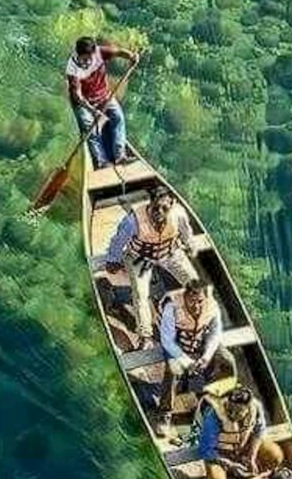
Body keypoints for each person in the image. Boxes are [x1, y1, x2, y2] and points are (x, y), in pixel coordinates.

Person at [97, 183, 198, 351]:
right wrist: (113, 260)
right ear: (150, 204)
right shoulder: (133, 220)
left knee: (195, 285)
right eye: (155, 208)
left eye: (164, 208)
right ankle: (145, 336)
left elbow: (186, 233)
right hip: (140, 258)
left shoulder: (179, 213)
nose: (159, 213)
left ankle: (196, 324)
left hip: (170, 253)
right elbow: (118, 241)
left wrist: (190, 246)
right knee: (141, 294)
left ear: (172, 204)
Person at [155, 279, 237, 433]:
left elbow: (215, 334)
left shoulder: (212, 306)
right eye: (192, 301)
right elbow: (167, 340)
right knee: (173, 370)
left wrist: (206, 356)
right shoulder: (171, 307)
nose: (196, 306)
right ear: (185, 296)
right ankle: (164, 413)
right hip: (176, 347)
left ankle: (217, 403)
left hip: (200, 342)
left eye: (200, 301)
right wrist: (186, 362)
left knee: (227, 361)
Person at [196, 385, 282, 479]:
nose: (232, 414)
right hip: (220, 452)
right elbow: (206, 450)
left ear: (247, 409)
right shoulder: (213, 417)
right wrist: (230, 465)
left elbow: (259, 431)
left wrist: (251, 456)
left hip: (242, 446)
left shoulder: (256, 407)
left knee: (275, 455)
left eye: (238, 412)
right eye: (229, 409)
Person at [66, 35, 138, 170]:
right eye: (84, 60)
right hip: (83, 103)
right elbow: (77, 96)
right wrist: (93, 111)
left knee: (118, 117)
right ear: (78, 55)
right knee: (91, 130)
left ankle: (120, 155)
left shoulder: (99, 52)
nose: (88, 62)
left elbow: (118, 51)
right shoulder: (73, 70)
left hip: (103, 95)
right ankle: (101, 162)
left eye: (90, 59)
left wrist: (131, 56)